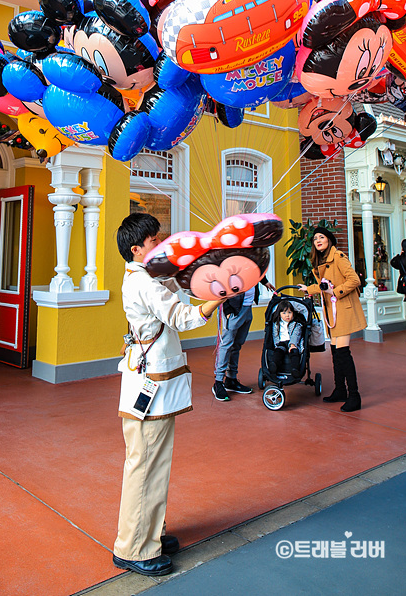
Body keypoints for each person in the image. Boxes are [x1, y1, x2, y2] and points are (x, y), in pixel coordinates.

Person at [113, 213, 224, 578]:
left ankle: (151, 533)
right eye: (153, 240)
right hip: (151, 383)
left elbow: (180, 292)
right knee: (145, 465)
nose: (159, 244)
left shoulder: (148, 277)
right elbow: (182, 317)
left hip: (154, 379)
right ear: (136, 249)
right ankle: (134, 547)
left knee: (154, 462)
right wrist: (218, 299)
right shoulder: (143, 281)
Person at [298, 226, 366, 412]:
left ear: (329, 239)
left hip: (344, 308)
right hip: (333, 310)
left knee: (343, 353)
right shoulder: (321, 259)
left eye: (321, 237)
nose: (318, 240)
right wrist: (309, 289)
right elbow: (323, 284)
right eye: (315, 238)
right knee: (336, 352)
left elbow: (354, 280)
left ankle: (354, 395)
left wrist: (335, 292)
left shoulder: (338, 257)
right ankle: (340, 390)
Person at [212, 278, 275, 402]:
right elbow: (220, 284)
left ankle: (231, 379)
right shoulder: (231, 261)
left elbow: (256, 270)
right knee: (226, 345)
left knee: (237, 345)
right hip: (233, 310)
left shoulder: (250, 260)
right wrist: (228, 309)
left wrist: (265, 282)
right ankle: (218, 382)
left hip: (247, 307)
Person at [268, 298, 304, 378]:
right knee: (278, 352)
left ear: (293, 313)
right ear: (279, 314)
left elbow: (296, 334)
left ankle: (295, 369)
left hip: (291, 342)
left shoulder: (296, 324)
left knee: (294, 352)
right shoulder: (276, 324)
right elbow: (275, 335)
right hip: (281, 343)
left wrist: (292, 344)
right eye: (284, 313)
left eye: (289, 312)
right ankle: (274, 365)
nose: (287, 315)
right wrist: (276, 344)